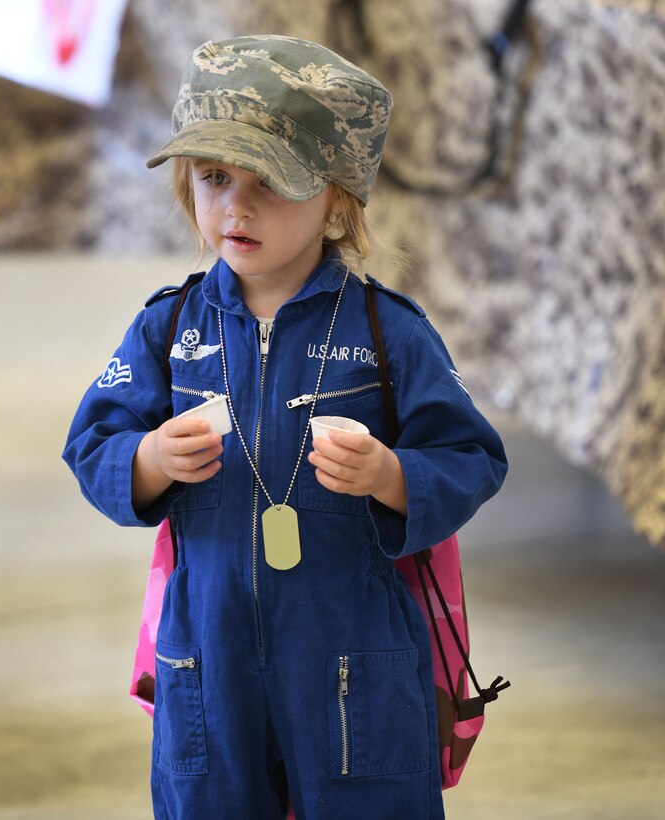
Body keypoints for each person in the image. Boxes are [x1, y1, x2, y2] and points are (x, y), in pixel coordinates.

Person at [63, 35, 508, 820]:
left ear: (337, 198)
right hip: (207, 655)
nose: (236, 205)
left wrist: (389, 476)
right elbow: (93, 444)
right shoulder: (169, 330)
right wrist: (150, 458)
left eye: (271, 183)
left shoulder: (386, 332)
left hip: (351, 659)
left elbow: (469, 454)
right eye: (214, 177)